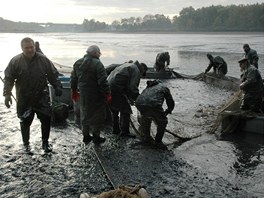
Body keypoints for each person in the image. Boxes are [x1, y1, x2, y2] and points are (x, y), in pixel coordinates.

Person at [3, 37, 62, 152]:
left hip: (41, 95)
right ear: (22, 48)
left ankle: (45, 142)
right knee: (25, 120)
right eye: (27, 48)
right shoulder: (15, 61)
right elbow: (8, 78)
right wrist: (7, 94)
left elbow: (53, 74)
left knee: (46, 118)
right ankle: (26, 144)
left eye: (31, 47)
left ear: (34, 47)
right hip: (24, 97)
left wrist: (57, 86)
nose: (30, 50)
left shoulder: (43, 59)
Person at [70, 45, 112, 144]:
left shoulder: (77, 63)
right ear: (96, 53)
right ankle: (96, 137)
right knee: (98, 115)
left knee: (84, 113)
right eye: (99, 52)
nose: (99, 54)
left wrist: (74, 90)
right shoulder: (98, 64)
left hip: (84, 94)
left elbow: (73, 79)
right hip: (96, 94)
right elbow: (102, 81)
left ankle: (86, 136)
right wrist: (108, 93)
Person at [107, 60, 148, 137]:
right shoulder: (136, 69)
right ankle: (125, 132)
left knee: (114, 109)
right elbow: (132, 87)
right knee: (125, 110)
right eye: (142, 73)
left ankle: (115, 129)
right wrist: (138, 99)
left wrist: (130, 98)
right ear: (142, 68)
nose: (141, 75)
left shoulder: (127, 65)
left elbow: (125, 84)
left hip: (108, 87)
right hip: (117, 88)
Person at [135, 80, 175, 149]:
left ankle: (146, 138)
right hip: (153, 103)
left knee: (146, 118)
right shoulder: (164, 87)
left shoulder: (149, 87)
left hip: (139, 103)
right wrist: (169, 110)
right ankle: (158, 142)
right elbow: (170, 101)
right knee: (163, 122)